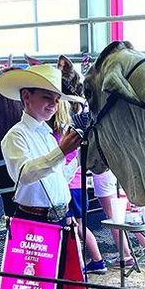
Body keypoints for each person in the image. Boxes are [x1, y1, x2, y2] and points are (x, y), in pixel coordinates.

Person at [0, 63, 85, 289]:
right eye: (46, 98)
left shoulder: (49, 134)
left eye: (55, 99)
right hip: (30, 222)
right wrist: (61, 152)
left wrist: (72, 157)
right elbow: (25, 173)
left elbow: (59, 177)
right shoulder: (15, 136)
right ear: (26, 97)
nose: (52, 104)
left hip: (57, 220)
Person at [48, 99, 107, 275]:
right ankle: (97, 261)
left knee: (72, 228)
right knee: (79, 226)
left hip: (68, 188)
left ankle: (79, 265)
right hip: (78, 187)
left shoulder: (58, 137)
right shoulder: (75, 134)